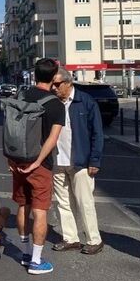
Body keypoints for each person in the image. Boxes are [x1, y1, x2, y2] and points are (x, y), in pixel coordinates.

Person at [9, 57, 65, 275]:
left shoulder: (20, 96)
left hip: (17, 160)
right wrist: (38, 162)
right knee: (40, 211)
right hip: (38, 164)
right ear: (54, 77)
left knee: (23, 206)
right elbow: (52, 139)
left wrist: (10, 158)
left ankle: (24, 252)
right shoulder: (55, 104)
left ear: (34, 74)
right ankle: (36, 260)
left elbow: (10, 129)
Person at [50, 68, 105, 255]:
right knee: (63, 202)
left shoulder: (86, 102)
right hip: (57, 160)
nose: (54, 88)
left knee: (84, 202)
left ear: (68, 83)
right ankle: (70, 238)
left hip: (81, 161)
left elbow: (97, 133)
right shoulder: (52, 103)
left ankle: (93, 240)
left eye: (57, 84)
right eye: (52, 84)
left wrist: (95, 161)